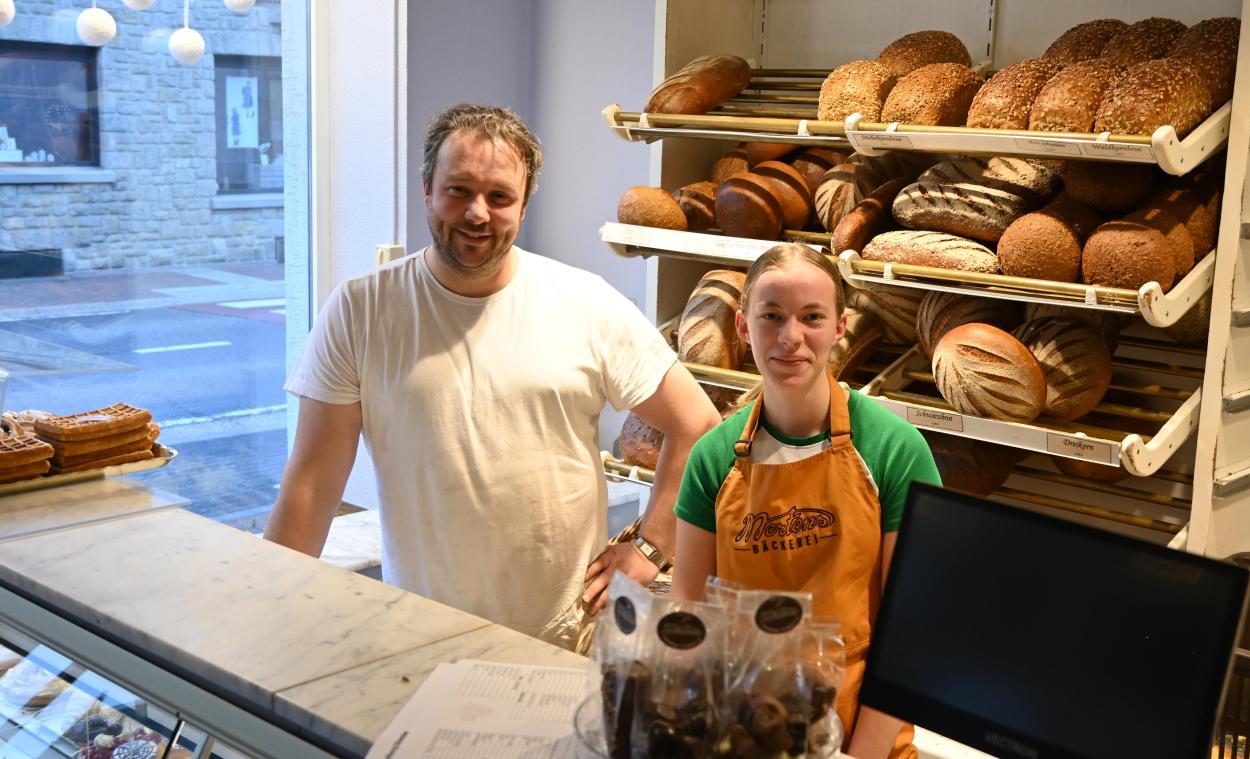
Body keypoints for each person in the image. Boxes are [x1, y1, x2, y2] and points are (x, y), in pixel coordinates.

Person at [266, 103, 720, 647]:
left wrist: (650, 547)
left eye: (500, 197)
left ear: (523, 206)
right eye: (458, 190)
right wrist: (271, 617)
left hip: (565, 634)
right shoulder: (362, 310)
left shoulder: (585, 303)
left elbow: (697, 425)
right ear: (427, 190)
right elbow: (313, 484)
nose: (477, 213)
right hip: (421, 637)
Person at [670, 243, 940, 759]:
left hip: (862, 735)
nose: (790, 337)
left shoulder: (894, 449)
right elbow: (690, 621)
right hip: (742, 737)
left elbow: (911, 635)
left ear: (840, 327)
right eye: (771, 316)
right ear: (743, 327)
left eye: (812, 317)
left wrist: (858, 758)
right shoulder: (712, 458)